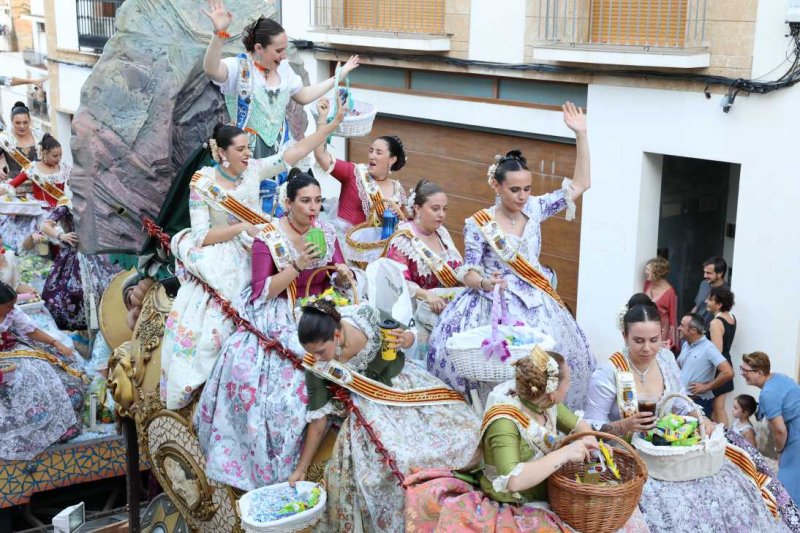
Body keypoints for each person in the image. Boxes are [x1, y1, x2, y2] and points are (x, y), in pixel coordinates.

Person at [161, 110, 344, 410]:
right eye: (241, 149)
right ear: (222, 153)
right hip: (222, 249)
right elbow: (201, 236)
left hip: (259, 242)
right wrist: (241, 228)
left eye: (249, 148)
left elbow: (294, 152)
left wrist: (330, 126)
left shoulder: (253, 170)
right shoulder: (202, 183)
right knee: (220, 321)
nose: (248, 154)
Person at [427, 102, 595, 411]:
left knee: (547, 371)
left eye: (527, 189)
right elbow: (468, 270)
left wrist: (581, 135)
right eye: (515, 190)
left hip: (536, 303)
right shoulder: (479, 223)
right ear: (496, 185)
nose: (522, 196)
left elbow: (581, 184)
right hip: (491, 303)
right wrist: (484, 283)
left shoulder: (536, 208)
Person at [196, 169, 355, 490]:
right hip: (280, 310)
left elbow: (334, 276)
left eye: (318, 201)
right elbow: (261, 291)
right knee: (285, 377)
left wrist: (341, 275)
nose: (313, 208)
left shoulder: (325, 231)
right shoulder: (268, 237)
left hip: (322, 306)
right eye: (306, 201)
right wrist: (297, 265)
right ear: (288, 203)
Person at [584, 300, 793, 532]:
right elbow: (590, 426)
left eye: (654, 340)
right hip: (627, 455)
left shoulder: (665, 360)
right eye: (639, 341)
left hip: (669, 450)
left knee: (732, 479)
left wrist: (703, 420)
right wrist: (624, 425)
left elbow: (680, 401)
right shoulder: (609, 372)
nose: (647, 349)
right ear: (625, 337)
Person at [404, 348, 649, 532]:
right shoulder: (504, 421)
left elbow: (579, 426)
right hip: (514, 503)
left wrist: (593, 446)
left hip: (549, 490)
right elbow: (513, 480)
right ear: (552, 391)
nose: (570, 386)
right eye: (568, 382)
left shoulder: (545, 402)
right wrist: (565, 453)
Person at [292, 300, 481, 532]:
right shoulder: (317, 364)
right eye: (311, 352)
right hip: (369, 407)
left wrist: (406, 339)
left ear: (337, 335)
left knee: (466, 429)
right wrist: (302, 467)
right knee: (397, 459)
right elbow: (318, 421)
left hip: (407, 387)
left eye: (321, 351)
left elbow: (408, 333)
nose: (316, 358)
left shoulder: (367, 317)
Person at [202, 0, 359, 157]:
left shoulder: (284, 69)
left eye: (285, 50)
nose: (284, 56)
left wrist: (337, 77)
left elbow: (304, 96)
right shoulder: (239, 67)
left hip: (280, 151)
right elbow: (211, 69)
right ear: (259, 48)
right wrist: (220, 34)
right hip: (246, 154)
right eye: (278, 51)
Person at [0, 282, 87, 460]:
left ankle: (56, 430)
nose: (12, 309)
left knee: (43, 374)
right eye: (8, 306)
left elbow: (31, 330)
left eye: (13, 305)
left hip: (12, 350)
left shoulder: (12, 312)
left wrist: (55, 343)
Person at [313, 99, 407, 261]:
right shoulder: (354, 173)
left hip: (377, 257)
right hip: (344, 253)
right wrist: (322, 119)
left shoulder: (398, 191)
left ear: (392, 159)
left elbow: (403, 227)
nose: (372, 155)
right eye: (371, 151)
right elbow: (321, 155)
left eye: (378, 152)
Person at [383, 179, 463, 359]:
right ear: (417, 208)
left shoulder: (442, 233)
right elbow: (398, 282)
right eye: (435, 209)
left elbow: (457, 267)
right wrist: (427, 295)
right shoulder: (403, 240)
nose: (441, 215)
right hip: (416, 314)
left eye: (444, 209)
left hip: (445, 307)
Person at [741, 351, 800, 505]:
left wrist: (779, 451)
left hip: (796, 431)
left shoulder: (768, 394)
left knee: (788, 486)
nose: (742, 373)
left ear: (759, 373)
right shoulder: (778, 377)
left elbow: (780, 431)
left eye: (746, 370)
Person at [0, 133, 72, 251]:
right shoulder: (33, 169)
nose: (58, 159)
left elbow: (77, 187)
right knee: (41, 248)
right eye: (55, 156)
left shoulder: (64, 168)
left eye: (60, 155)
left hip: (61, 212)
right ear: (44, 153)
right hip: (39, 213)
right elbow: (11, 185)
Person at [676, 312, 734, 416]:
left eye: (682, 325)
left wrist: (706, 387)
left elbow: (728, 372)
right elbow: (679, 368)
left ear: (693, 330)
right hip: (683, 401)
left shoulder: (708, 348)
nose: (678, 328)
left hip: (698, 402)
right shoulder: (686, 344)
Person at [705, 285, 737, 426]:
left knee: (718, 407)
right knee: (719, 407)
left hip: (719, 368)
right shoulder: (731, 318)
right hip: (727, 362)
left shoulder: (716, 323)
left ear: (719, 304)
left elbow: (716, 352)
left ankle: (724, 436)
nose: (707, 302)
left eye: (710, 299)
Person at [643, 256, 678, 350]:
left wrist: (672, 341)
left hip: (661, 330)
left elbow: (673, 318)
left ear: (657, 272)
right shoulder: (647, 284)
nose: (645, 272)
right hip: (645, 325)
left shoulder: (670, 292)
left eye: (648, 269)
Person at [0, 102, 42, 181]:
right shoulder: (4, 138)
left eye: (25, 122)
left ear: (30, 121)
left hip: (38, 184)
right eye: (18, 123)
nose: (22, 126)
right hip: (14, 185)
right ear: (12, 121)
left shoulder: (39, 135)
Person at [690, 256, 729, 326]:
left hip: (711, 329)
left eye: (709, 273)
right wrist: (688, 322)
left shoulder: (727, 291)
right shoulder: (704, 284)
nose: (705, 276)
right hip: (696, 328)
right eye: (704, 272)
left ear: (720, 273)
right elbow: (697, 306)